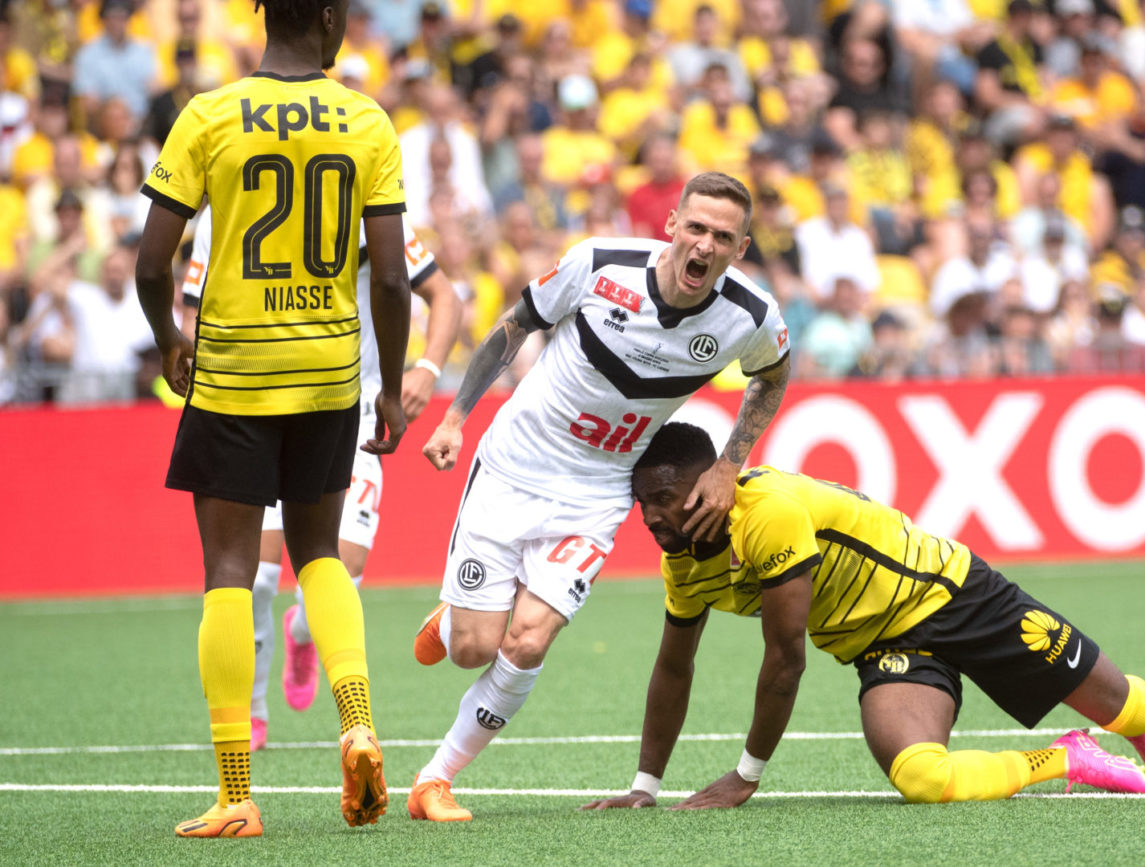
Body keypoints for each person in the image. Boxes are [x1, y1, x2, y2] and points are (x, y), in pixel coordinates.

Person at [409, 172, 791, 822]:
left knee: (528, 641)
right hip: (513, 467)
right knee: (474, 646)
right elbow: (512, 327)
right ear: (671, 224)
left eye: (722, 237)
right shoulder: (597, 262)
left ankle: (433, 780)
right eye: (695, 227)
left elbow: (775, 374)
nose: (703, 245)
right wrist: (455, 417)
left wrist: (731, 463)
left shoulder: (750, 317)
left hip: (599, 491)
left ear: (741, 248)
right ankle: (454, 619)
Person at [584, 423, 1145, 811]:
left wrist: (747, 774)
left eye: (663, 500)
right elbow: (673, 669)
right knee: (921, 779)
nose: (650, 517)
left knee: (1120, 704)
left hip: (952, 592)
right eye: (644, 503)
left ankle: (1144, 723)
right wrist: (645, 787)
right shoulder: (683, 564)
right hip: (882, 645)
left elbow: (786, 661)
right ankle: (1067, 758)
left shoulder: (767, 513)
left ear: (709, 487)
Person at [134, 0, 411, 838]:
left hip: (235, 373)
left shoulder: (210, 114)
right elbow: (394, 281)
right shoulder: (366, 119)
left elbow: (153, 263)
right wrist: (390, 388)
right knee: (319, 555)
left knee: (228, 569)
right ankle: (357, 719)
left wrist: (169, 338)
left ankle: (235, 793)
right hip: (330, 375)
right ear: (328, 20)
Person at [180, 207, 465, 750]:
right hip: (254, 411)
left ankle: (300, 634)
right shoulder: (225, 204)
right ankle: (253, 712)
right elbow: (193, 308)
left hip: (345, 416)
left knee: (337, 572)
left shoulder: (356, 196)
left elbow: (443, 295)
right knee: (257, 577)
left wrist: (425, 369)